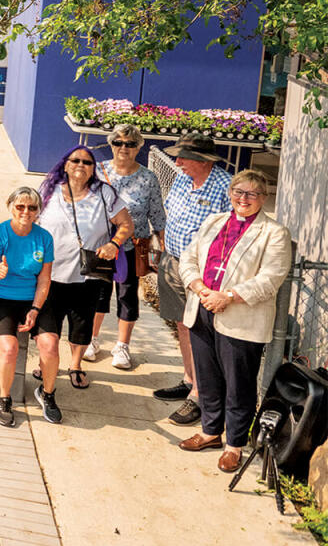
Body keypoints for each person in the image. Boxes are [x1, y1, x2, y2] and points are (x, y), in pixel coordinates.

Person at [176, 170, 292, 473]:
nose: (244, 198)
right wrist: (199, 288)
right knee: (208, 377)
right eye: (239, 192)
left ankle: (234, 445)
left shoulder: (274, 233)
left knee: (239, 384)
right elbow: (188, 258)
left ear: (263, 198)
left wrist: (228, 295)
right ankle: (210, 432)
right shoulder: (214, 222)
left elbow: (271, 278)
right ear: (230, 193)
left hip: (240, 316)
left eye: (252, 193)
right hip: (202, 306)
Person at [32, 145, 132, 420]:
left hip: (88, 276)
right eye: (75, 160)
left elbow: (126, 224)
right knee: (48, 337)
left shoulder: (104, 194)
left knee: (81, 327)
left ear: (93, 168)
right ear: (65, 165)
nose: (81, 165)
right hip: (49, 277)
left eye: (87, 162)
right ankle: (47, 367)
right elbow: (30, 224)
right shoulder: (48, 192)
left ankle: (75, 365)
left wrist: (114, 243)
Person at [154, 132, 233, 426]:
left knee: (199, 329)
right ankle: (190, 380)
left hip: (202, 273)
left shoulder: (226, 187)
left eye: (184, 157)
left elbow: (231, 236)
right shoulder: (183, 179)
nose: (178, 161)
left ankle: (201, 395)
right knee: (181, 325)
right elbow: (172, 216)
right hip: (172, 261)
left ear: (203, 160)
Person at [87, 124, 165, 370]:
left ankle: (122, 345)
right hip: (100, 244)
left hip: (131, 246)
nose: (124, 148)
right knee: (98, 292)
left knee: (127, 295)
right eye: (119, 143)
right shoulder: (97, 171)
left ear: (139, 147)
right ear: (111, 145)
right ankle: (92, 339)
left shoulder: (148, 178)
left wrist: (159, 243)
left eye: (130, 144)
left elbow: (157, 214)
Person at [0, 187, 54, 427]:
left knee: (49, 345)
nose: (26, 211)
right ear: (10, 206)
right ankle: (4, 399)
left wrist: (34, 309)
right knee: (9, 347)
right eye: (20, 206)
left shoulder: (44, 238)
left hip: (31, 299)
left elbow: (44, 280)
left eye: (32, 207)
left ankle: (47, 393)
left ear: (38, 211)